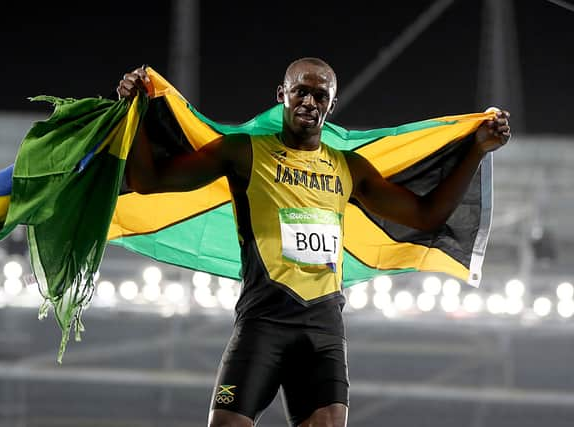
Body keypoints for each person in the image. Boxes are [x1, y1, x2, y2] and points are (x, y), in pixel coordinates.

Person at [116, 57, 511, 427]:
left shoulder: (347, 167)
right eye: (300, 91)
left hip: (323, 331)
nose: (309, 101)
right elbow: (148, 182)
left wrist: (475, 150)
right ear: (281, 95)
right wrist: (135, 112)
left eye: (319, 95)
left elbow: (427, 216)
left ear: (331, 104)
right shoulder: (243, 153)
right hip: (262, 324)